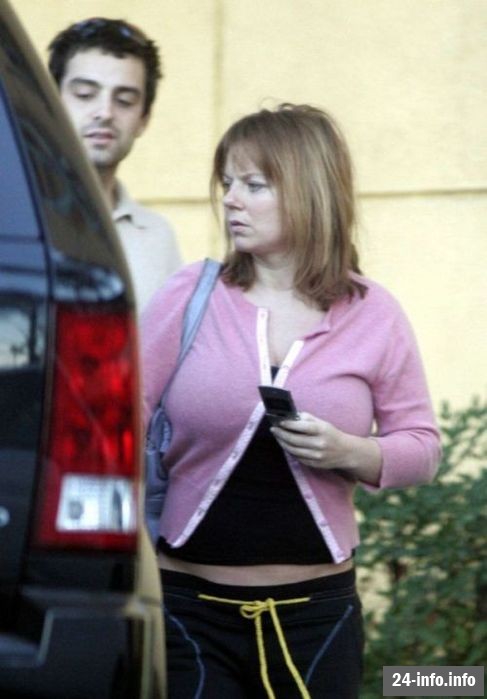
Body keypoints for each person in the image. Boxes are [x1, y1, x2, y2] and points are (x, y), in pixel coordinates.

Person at [141, 103, 441, 698]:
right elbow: (116, 418)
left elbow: (423, 448)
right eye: (227, 182)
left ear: (309, 192)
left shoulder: (374, 313)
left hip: (318, 620)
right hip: (188, 612)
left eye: (254, 185)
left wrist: (351, 451)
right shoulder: (191, 294)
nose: (230, 200)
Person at [47, 17, 182, 311]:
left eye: (125, 100)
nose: (105, 112)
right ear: (50, 104)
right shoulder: (16, 217)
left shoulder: (158, 237)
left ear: (144, 119)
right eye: (85, 94)